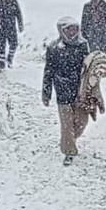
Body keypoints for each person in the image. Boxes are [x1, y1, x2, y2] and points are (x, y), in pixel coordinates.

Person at [42, 16, 91, 166]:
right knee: (66, 123)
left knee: (82, 121)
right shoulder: (54, 48)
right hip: (62, 89)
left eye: (75, 28)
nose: (72, 32)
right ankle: (69, 150)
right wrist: (46, 92)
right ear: (62, 30)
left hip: (80, 90)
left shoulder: (83, 45)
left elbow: (89, 67)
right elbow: (48, 71)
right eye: (69, 29)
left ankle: (69, 139)